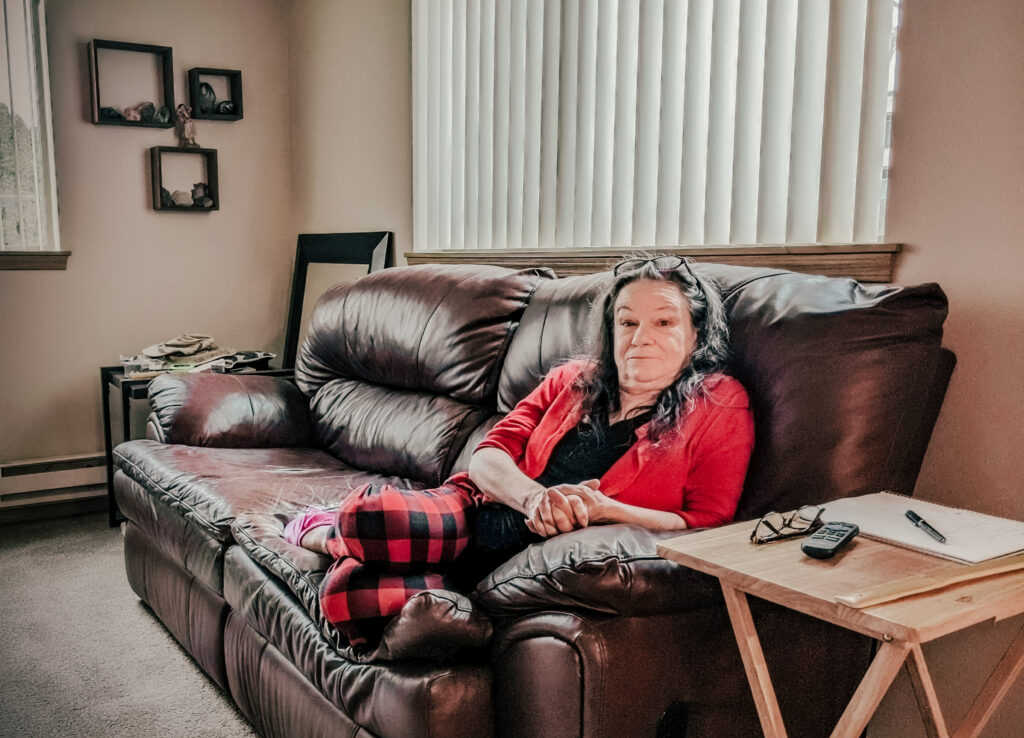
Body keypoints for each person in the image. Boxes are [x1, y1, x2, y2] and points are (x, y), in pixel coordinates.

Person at [285, 254, 755, 644]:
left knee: (345, 596)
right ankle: (328, 529)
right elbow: (488, 455)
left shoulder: (719, 401)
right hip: (475, 513)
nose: (640, 337)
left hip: (523, 564)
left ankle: (359, 551)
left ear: (695, 335)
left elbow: (707, 522)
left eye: (664, 321)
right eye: (626, 321)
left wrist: (605, 510)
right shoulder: (572, 380)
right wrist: (534, 497)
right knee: (371, 516)